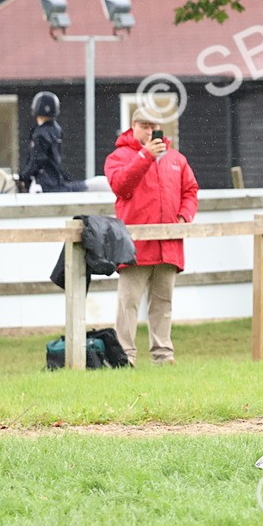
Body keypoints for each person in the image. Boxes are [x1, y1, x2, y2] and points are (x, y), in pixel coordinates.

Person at [105, 106, 198, 366]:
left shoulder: (176, 159)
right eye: (144, 126)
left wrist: (184, 216)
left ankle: (163, 355)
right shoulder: (119, 157)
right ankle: (125, 356)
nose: (149, 131)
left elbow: (190, 190)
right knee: (128, 304)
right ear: (133, 126)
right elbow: (122, 186)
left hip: (168, 244)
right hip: (134, 246)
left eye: (153, 126)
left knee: (163, 303)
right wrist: (145, 156)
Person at [19, 91, 87, 193]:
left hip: (45, 182)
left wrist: (23, 176)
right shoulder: (56, 129)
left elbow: (37, 160)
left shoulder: (40, 134)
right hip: (57, 176)